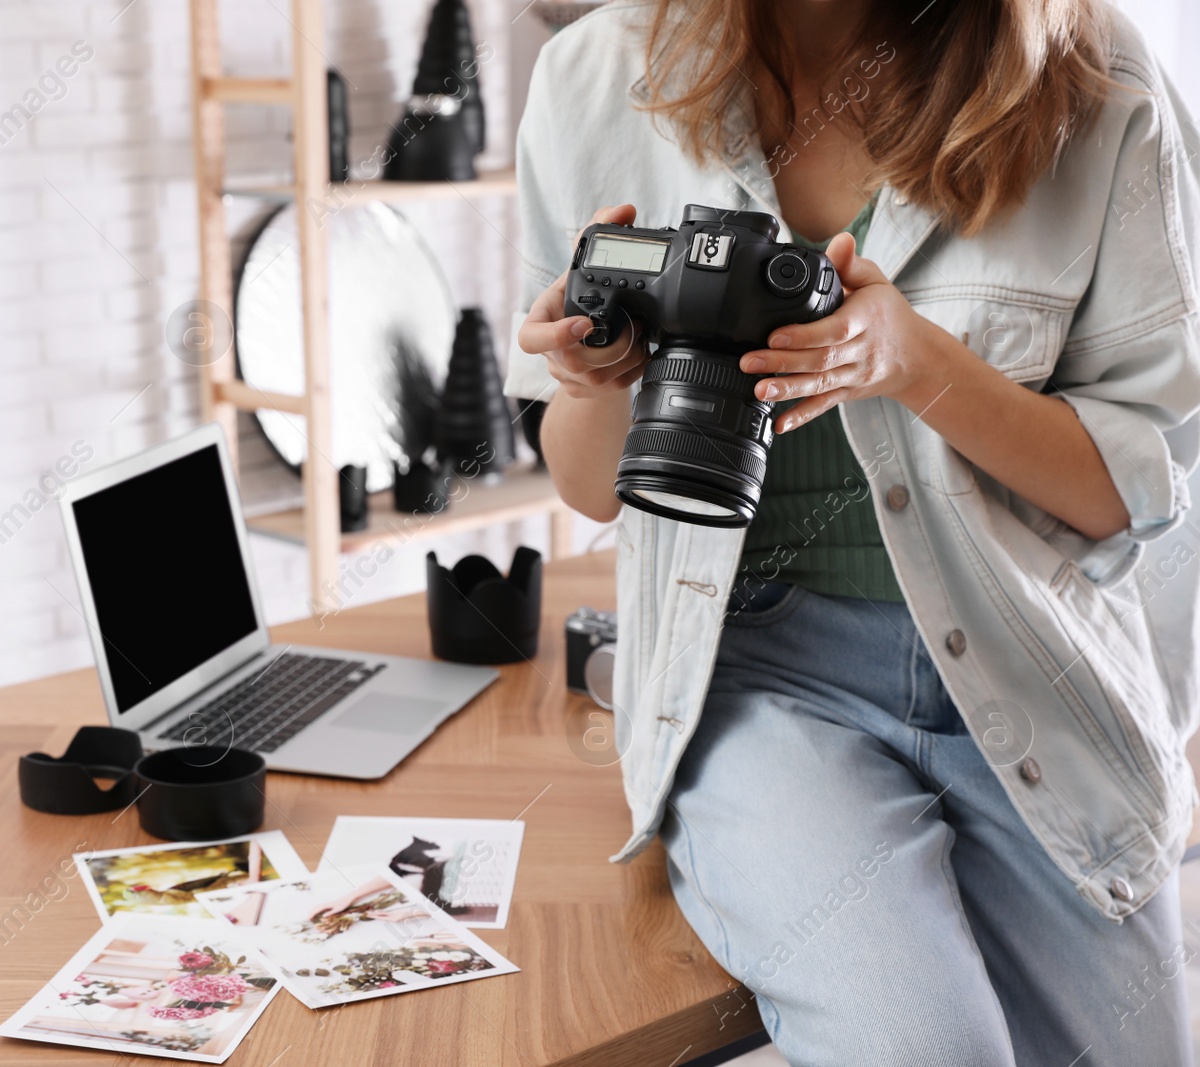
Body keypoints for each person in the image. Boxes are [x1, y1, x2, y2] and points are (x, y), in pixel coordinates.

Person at [507, 0, 1200, 1062]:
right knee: (930, 1047)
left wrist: (920, 367)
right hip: (754, 681)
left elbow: (1130, 489)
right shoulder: (594, 78)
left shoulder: (1095, 79)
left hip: (1027, 669)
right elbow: (590, 486)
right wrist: (597, 377)